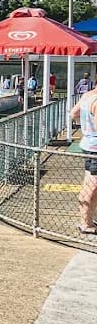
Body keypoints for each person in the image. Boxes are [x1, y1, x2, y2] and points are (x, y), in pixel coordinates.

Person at [69, 87, 97, 234]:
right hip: (95, 148)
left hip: (88, 143)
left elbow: (74, 113)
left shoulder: (87, 96)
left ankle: (88, 218)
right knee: (92, 185)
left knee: (89, 182)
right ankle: (86, 223)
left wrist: (87, 125)